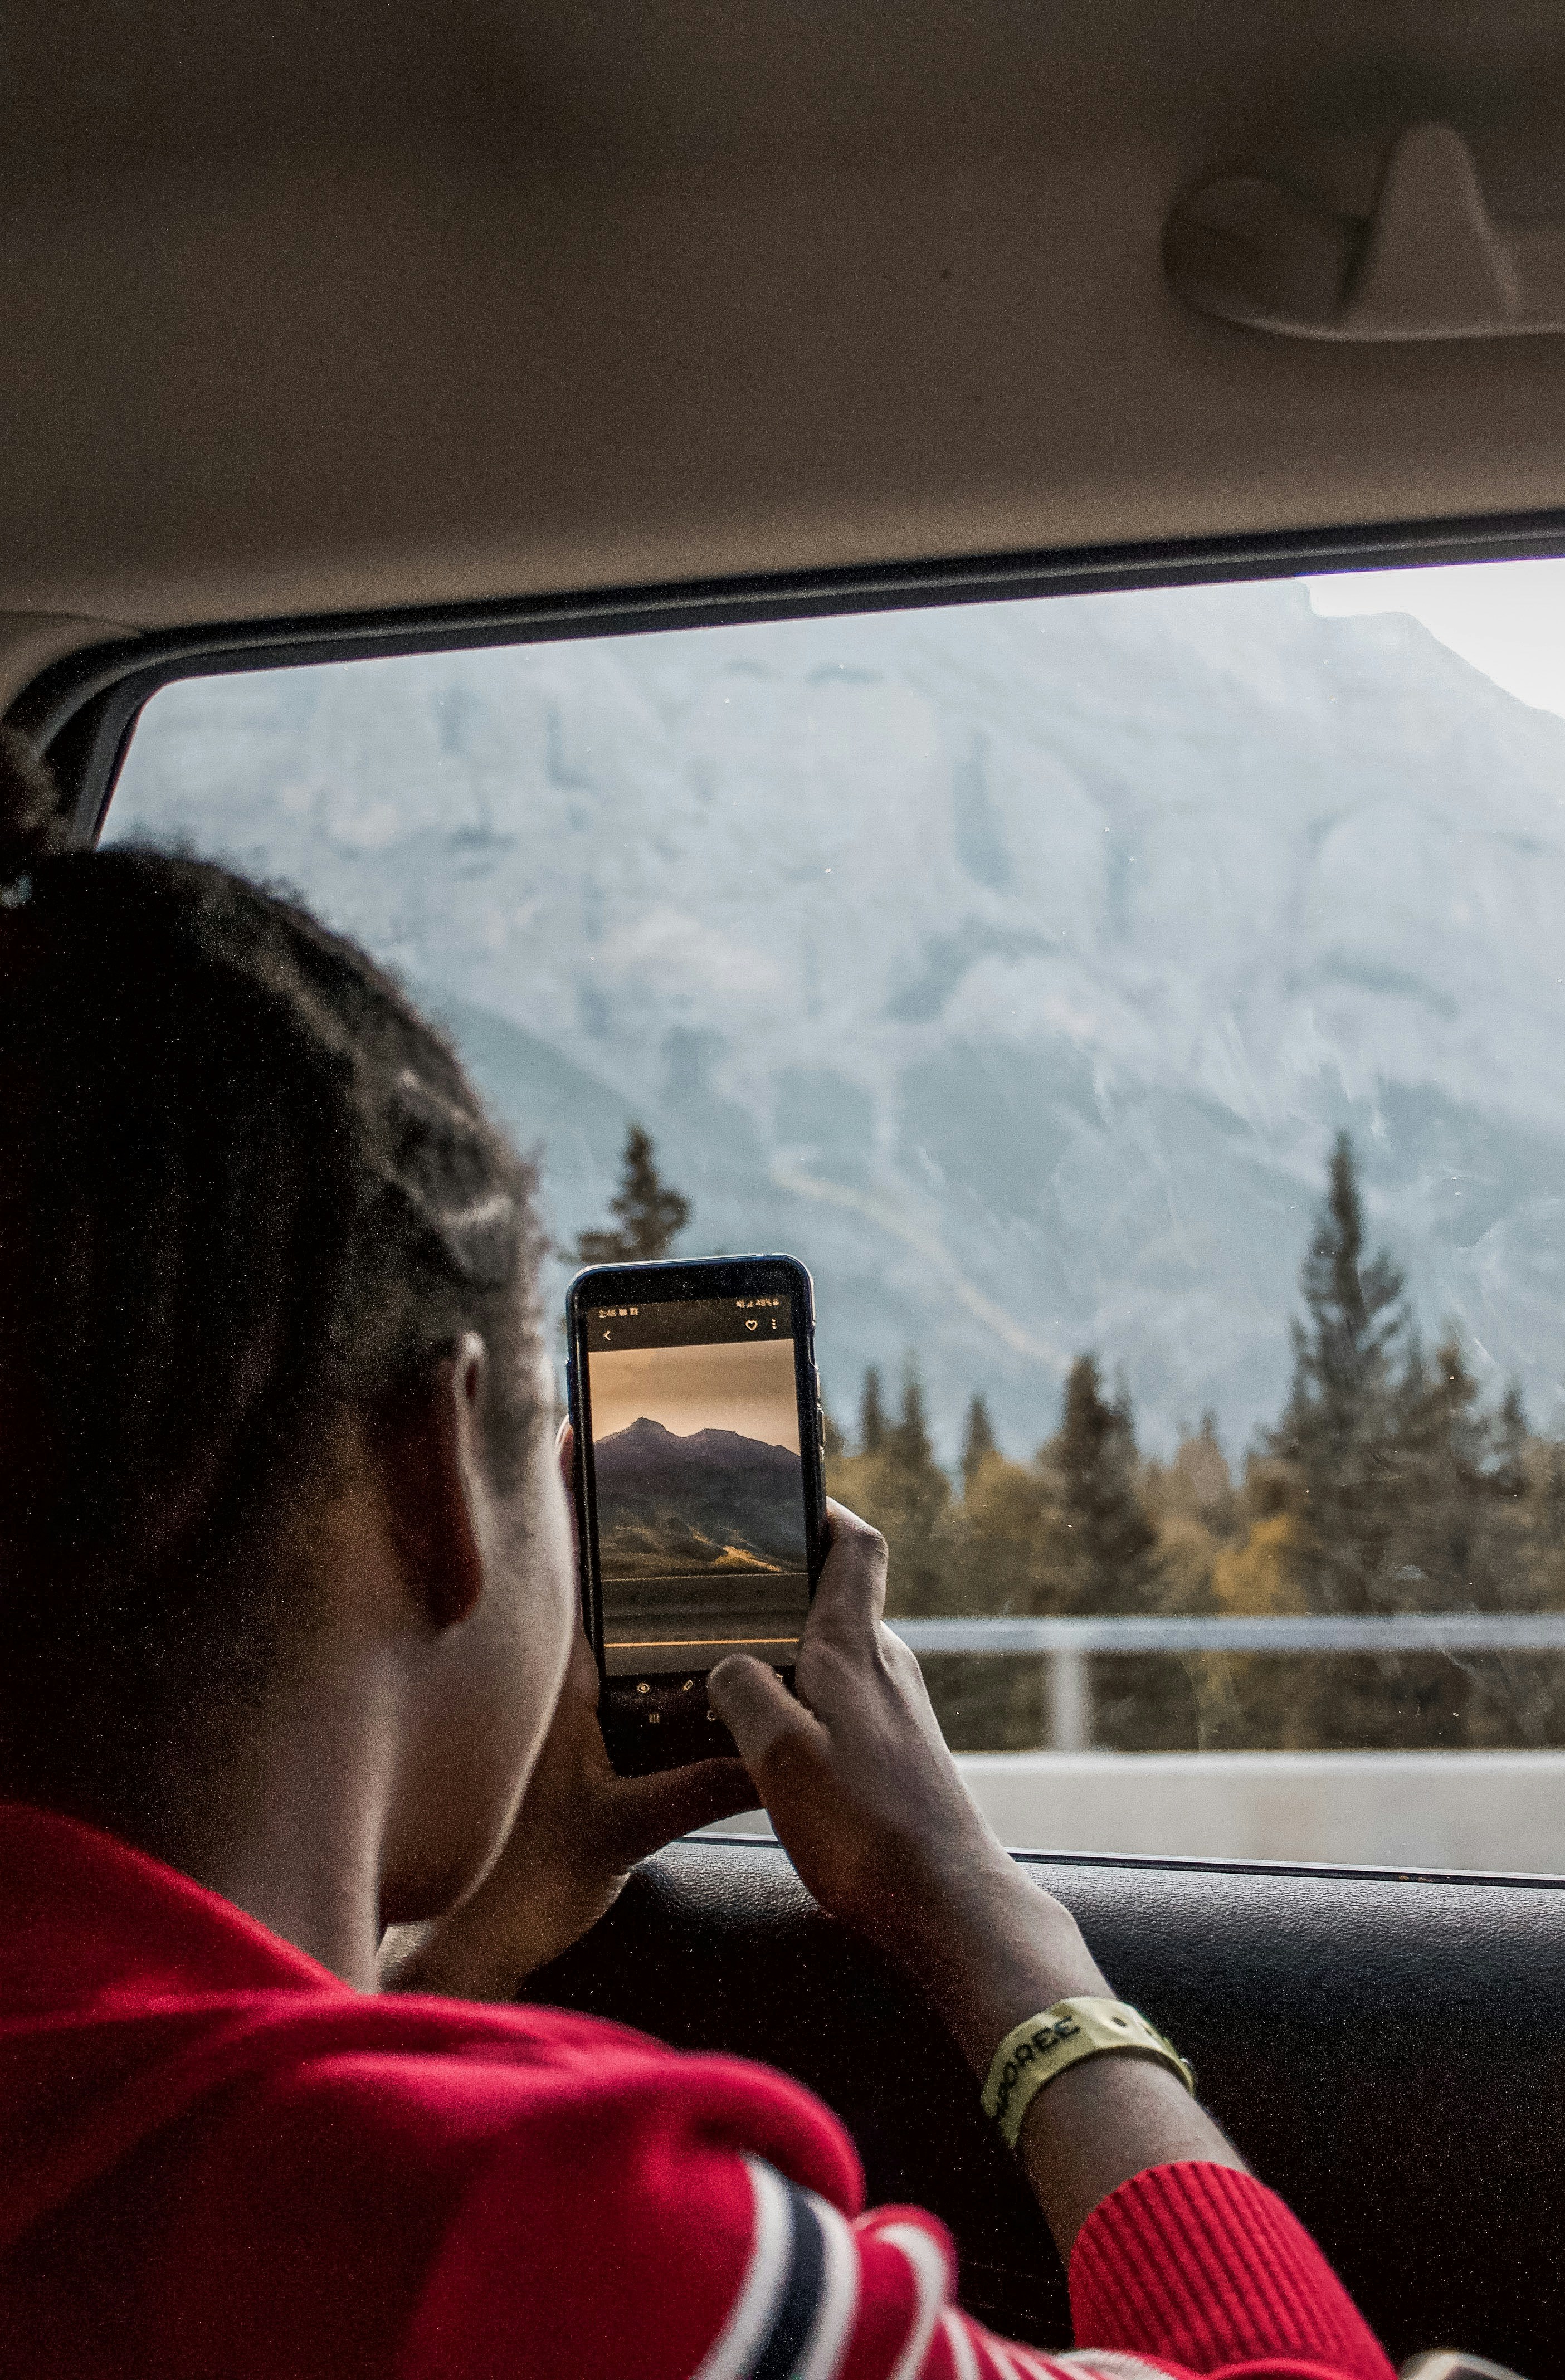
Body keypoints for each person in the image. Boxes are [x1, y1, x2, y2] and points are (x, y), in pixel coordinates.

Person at [0, 733, 1394, 2380]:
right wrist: (982, 1912)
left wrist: (471, 1949)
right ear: (439, 1472)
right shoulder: (562, 2246)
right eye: (545, 1452)